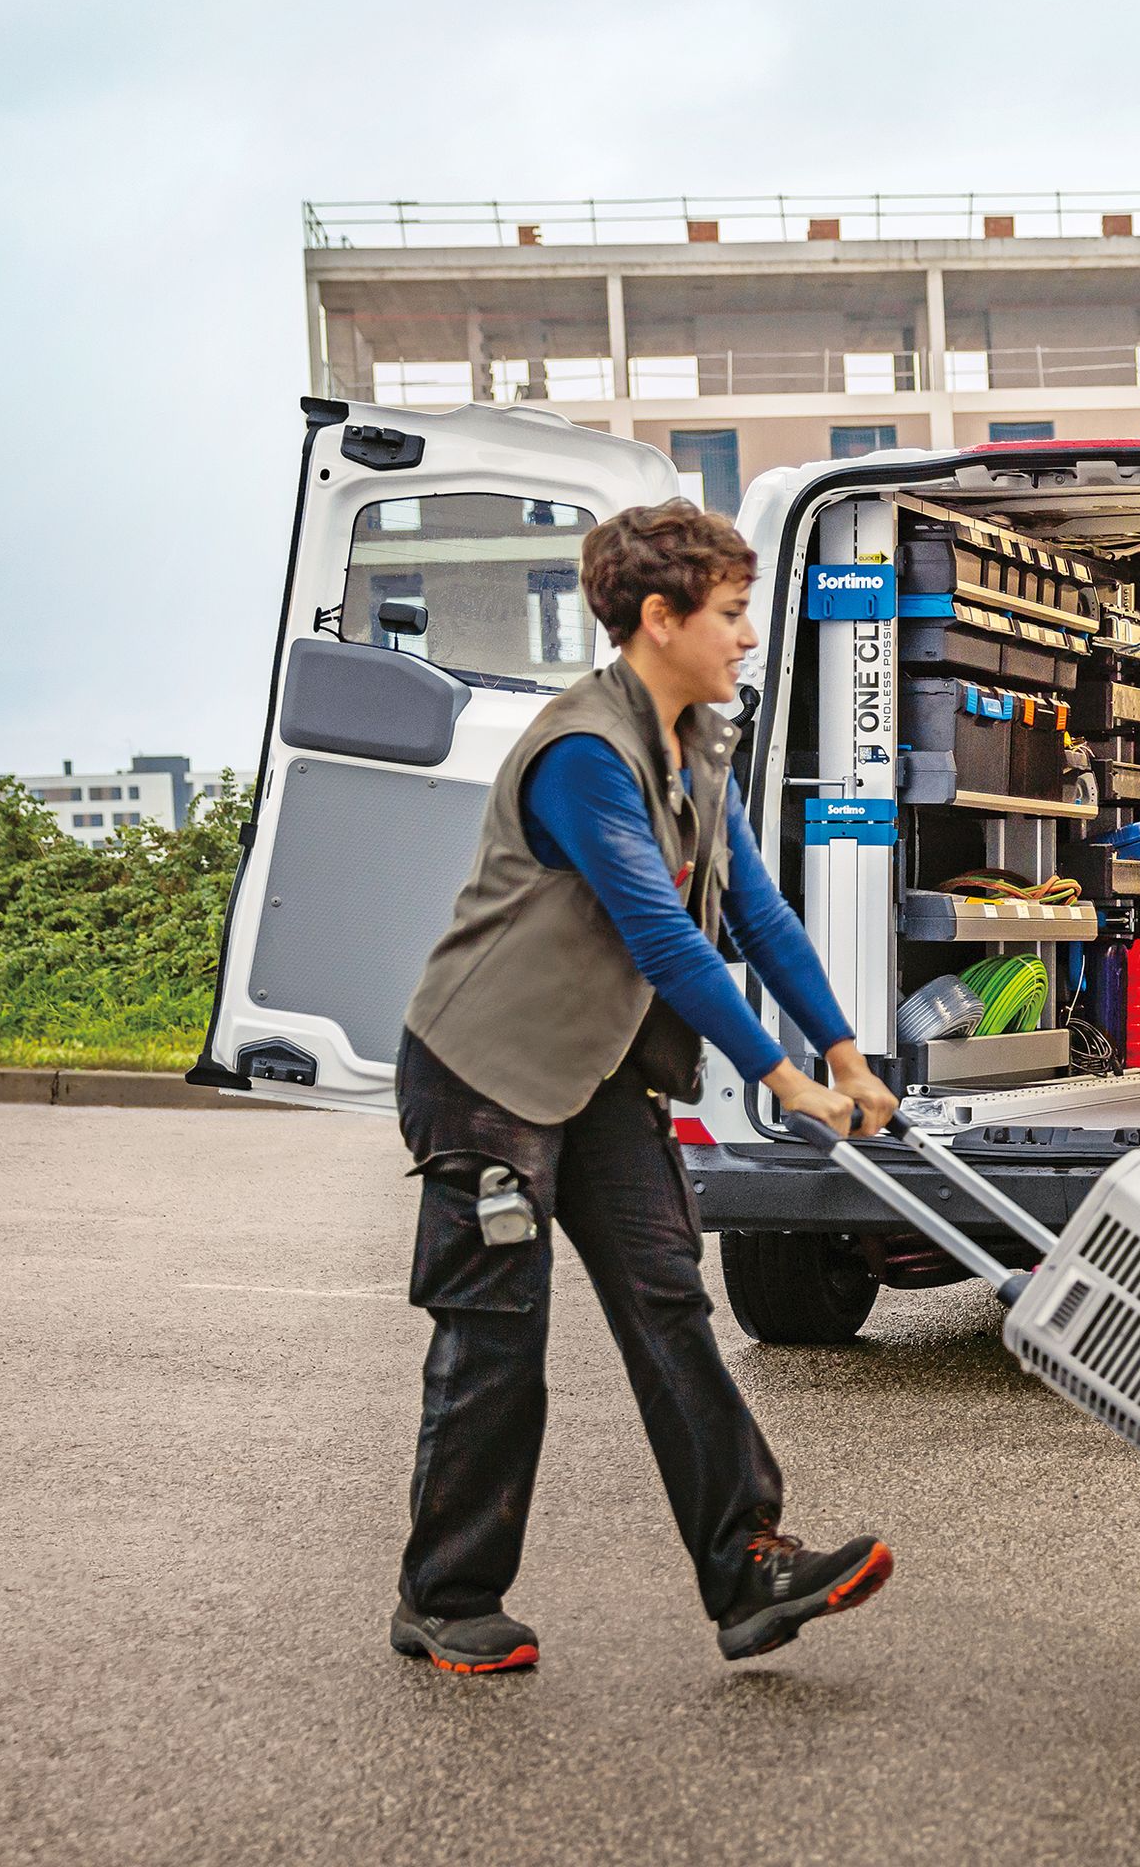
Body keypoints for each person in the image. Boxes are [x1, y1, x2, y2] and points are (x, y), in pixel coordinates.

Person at [382, 501, 902, 1674]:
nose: (746, 637)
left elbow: (755, 913)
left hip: (602, 1070)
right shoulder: (583, 754)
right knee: (496, 1336)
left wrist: (843, 1051)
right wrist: (780, 1076)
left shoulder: (697, 744)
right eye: (728, 614)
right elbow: (663, 935)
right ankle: (448, 1599)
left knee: (668, 1302)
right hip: (487, 1073)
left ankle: (748, 1571)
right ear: (657, 619)